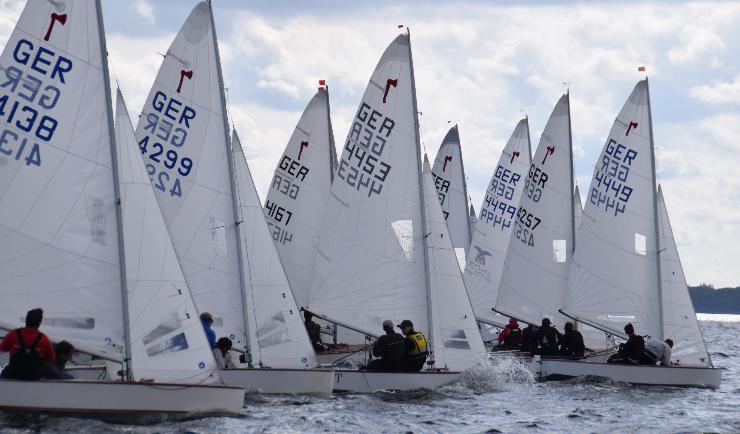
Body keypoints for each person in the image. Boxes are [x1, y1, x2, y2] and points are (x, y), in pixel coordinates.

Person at [0, 308, 56, 380]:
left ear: (26, 320)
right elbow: (51, 358)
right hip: (34, 376)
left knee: (5, 372)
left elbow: (2, 348)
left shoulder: (13, 334)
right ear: (39, 323)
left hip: (14, 374)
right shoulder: (44, 338)